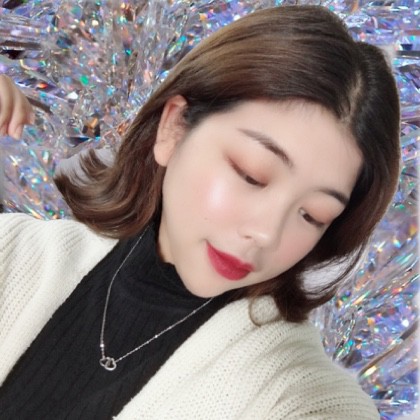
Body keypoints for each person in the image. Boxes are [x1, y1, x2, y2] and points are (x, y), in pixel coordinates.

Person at [0, 5, 400, 419]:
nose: (267, 233)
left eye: (313, 215)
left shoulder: (293, 391)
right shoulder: (15, 253)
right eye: (251, 175)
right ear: (174, 128)